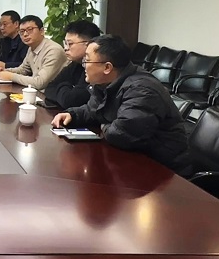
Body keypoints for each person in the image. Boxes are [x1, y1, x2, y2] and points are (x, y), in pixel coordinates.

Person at [51, 35, 192, 176]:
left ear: (107, 67)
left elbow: (123, 135)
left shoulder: (142, 90)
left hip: (163, 171)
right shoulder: (105, 83)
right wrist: (72, 115)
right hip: (133, 161)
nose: (84, 66)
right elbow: (93, 110)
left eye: (87, 60)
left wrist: (103, 125)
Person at [0, 15, 66, 90]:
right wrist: (5, 71)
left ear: (41, 31)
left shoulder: (53, 50)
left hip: (51, 95)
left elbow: (40, 83)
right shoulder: (31, 48)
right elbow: (23, 70)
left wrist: (11, 76)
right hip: (36, 92)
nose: (25, 34)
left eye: (30, 30)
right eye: (22, 31)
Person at [43, 20, 101, 109]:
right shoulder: (75, 64)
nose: (66, 48)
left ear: (88, 44)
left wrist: (63, 86)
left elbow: (71, 100)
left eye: (70, 44)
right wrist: (67, 88)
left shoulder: (95, 67)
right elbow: (50, 88)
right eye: (65, 43)